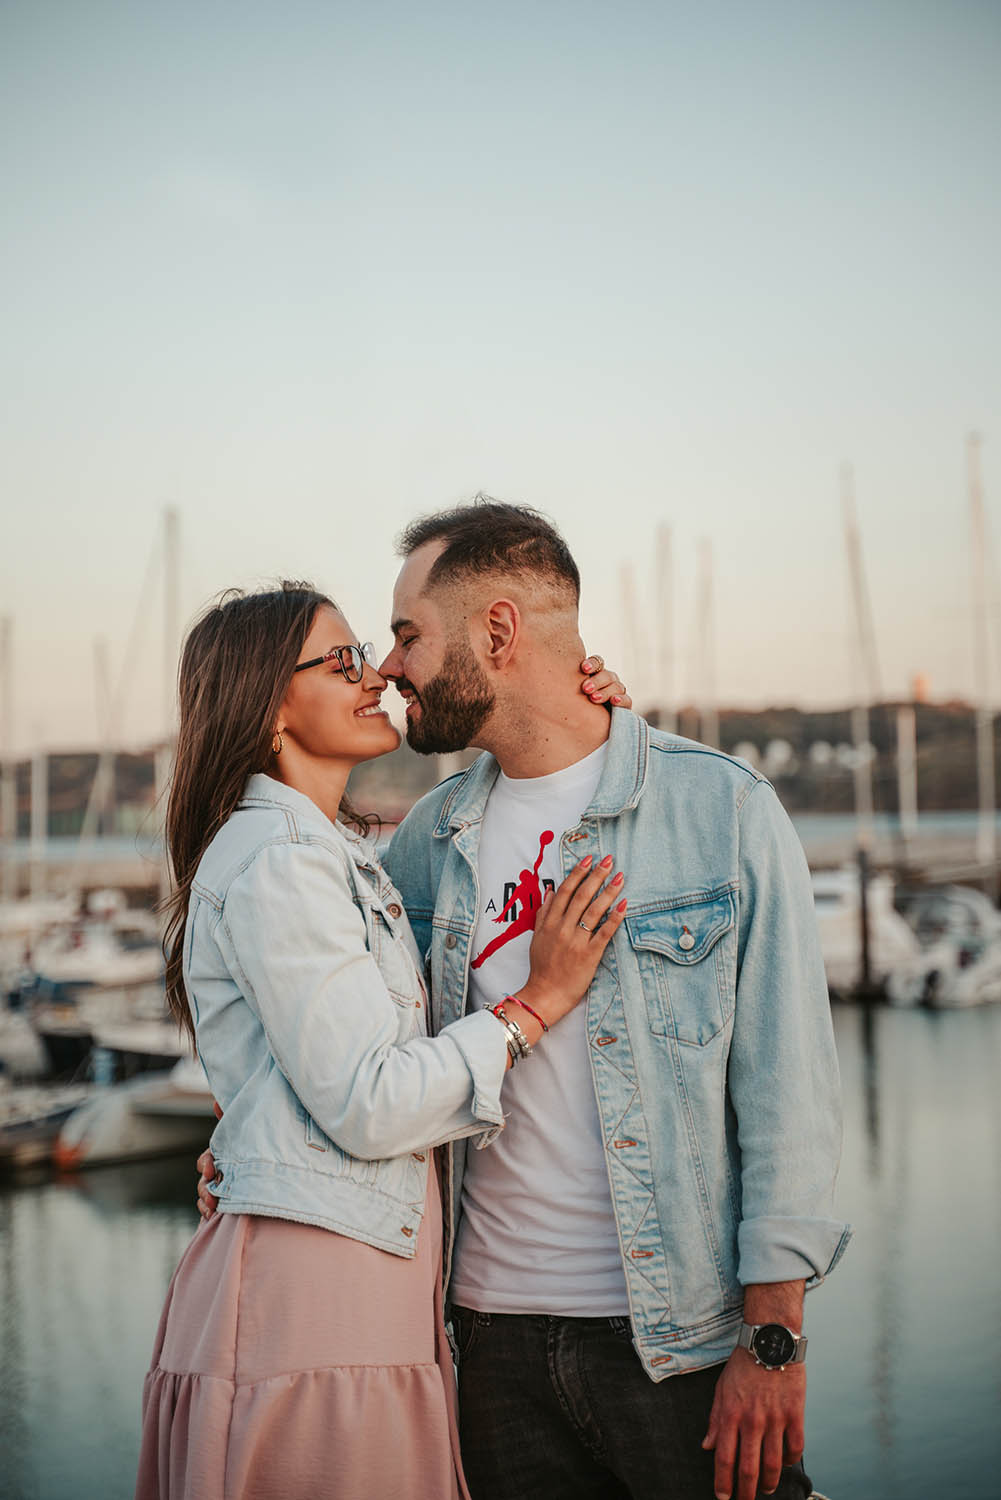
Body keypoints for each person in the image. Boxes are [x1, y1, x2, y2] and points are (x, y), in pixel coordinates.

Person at [198, 500, 850, 1500]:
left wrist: (773, 1340)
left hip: (672, 1342)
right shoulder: (428, 837)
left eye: (407, 635)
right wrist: (250, 1144)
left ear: (495, 631)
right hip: (481, 1346)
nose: (390, 668)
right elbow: (327, 1019)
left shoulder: (718, 811)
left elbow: (787, 1099)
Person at [135, 581, 630, 1500]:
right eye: (341, 660)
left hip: (358, 1280)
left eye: (368, 652)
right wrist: (538, 1002)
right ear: (266, 699)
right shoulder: (282, 860)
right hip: (317, 1300)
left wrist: (576, 721)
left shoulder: (335, 852)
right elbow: (367, 1102)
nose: (374, 676)